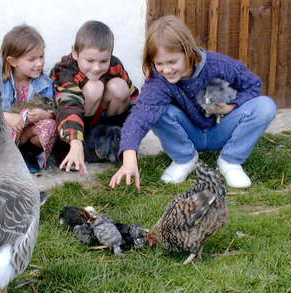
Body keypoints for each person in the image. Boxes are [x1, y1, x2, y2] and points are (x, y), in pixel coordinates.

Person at [109, 15, 276, 190]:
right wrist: (128, 160)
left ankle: (230, 161)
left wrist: (232, 106)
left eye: (172, 61)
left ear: (188, 51)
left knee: (265, 106)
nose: (166, 69)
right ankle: (184, 159)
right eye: (159, 63)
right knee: (155, 110)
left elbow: (253, 84)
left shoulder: (218, 65)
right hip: (189, 135)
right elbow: (139, 118)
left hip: (221, 131)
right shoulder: (158, 82)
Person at [50, 20, 139, 175]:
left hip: (100, 123)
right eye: (90, 60)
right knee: (94, 87)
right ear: (75, 53)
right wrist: (75, 142)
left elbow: (134, 100)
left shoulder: (115, 65)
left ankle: (110, 140)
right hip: (71, 128)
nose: (97, 67)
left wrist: (132, 136)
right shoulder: (64, 70)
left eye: (104, 61)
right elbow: (68, 105)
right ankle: (76, 149)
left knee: (119, 86)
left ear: (111, 54)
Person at [0, 24, 57, 173]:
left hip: (25, 134)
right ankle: (1, 163)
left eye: (41, 56)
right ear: (13, 61)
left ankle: (26, 154)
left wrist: (46, 114)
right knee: (4, 129)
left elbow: (54, 107)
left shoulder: (44, 83)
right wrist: (3, 116)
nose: (40, 63)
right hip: (5, 133)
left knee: (50, 125)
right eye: (31, 59)